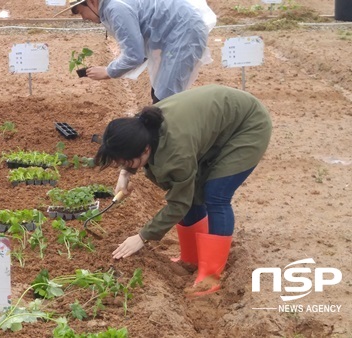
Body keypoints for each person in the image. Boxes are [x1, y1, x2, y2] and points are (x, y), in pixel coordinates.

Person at [94, 85, 272, 296]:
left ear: (145, 149)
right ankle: (191, 258)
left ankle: (211, 275)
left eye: (127, 161)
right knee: (193, 190)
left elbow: (179, 203)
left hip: (247, 126)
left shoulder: (176, 153)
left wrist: (142, 237)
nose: (124, 164)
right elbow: (182, 192)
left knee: (215, 195)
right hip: (218, 123)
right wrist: (125, 174)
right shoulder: (142, 128)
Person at [57, 0, 216, 103]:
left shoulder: (115, 8)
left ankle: (163, 147)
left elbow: (134, 55)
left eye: (80, 12)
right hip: (176, 34)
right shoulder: (113, 6)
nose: (83, 18)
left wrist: (108, 71)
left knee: (166, 99)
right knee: (160, 91)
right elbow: (137, 51)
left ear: (91, 2)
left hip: (184, 33)